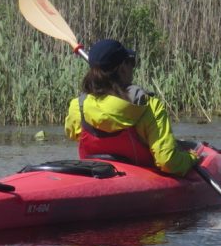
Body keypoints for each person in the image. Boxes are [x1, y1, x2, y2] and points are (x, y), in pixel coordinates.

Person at [64, 38, 198, 176]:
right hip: (140, 180)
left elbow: (72, 134)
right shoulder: (150, 106)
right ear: (122, 68)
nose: (132, 69)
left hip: (94, 175)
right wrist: (191, 158)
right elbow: (168, 162)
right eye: (131, 63)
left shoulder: (78, 105)